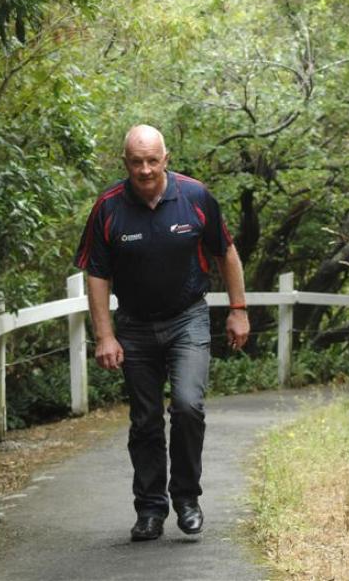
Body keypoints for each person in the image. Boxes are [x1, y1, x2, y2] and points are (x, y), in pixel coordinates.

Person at [74, 124, 250, 542]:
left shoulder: (195, 197)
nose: (146, 169)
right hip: (133, 327)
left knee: (188, 407)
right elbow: (96, 274)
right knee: (146, 421)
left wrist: (238, 311)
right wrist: (104, 335)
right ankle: (150, 509)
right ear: (125, 163)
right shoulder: (108, 208)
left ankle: (187, 498)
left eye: (153, 160)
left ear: (166, 158)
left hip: (187, 318)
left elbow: (225, 252)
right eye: (137, 162)